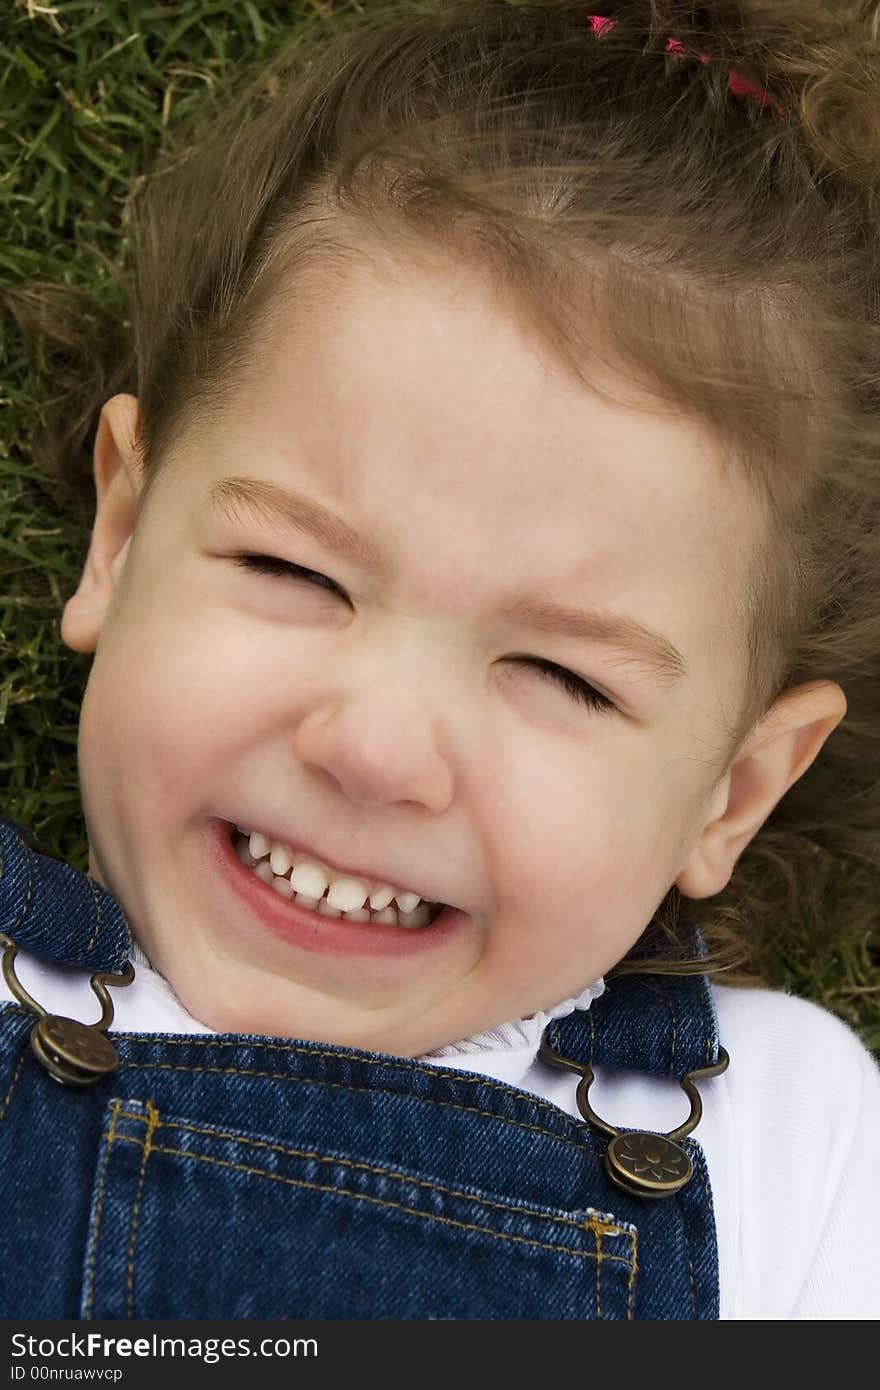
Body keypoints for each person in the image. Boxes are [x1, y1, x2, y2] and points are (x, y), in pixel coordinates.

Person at [2, 0, 879, 1320]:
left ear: (732, 791)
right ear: (120, 539)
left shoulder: (791, 1133)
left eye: (563, 676)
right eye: (294, 573)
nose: (374, 749)